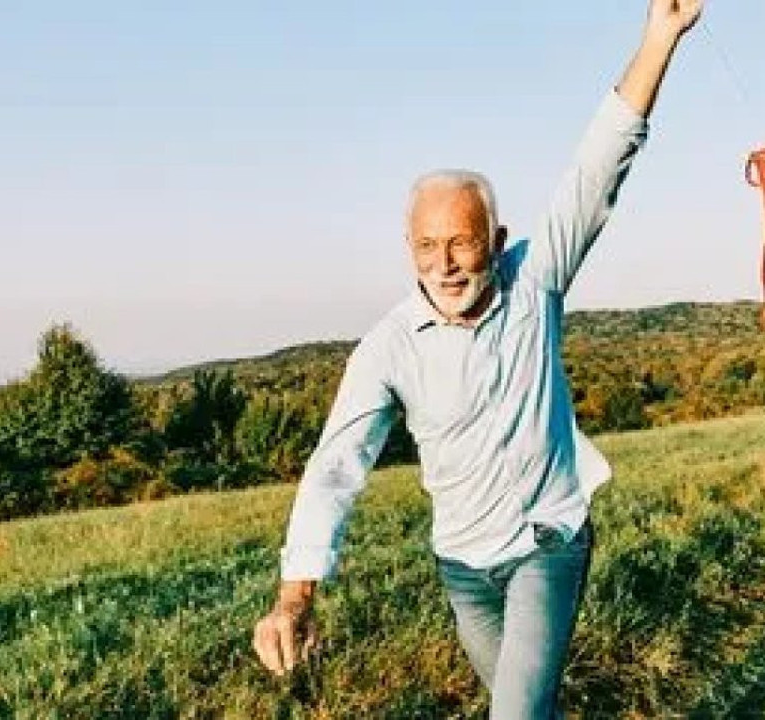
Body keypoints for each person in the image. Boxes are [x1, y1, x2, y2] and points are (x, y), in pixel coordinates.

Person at [253, 2, 705, 716]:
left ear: (495, 239)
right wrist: (294, 596)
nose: (447, 264)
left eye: (462, 243)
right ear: (411, 252)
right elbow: (335, 468)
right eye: (428, 248)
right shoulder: (388, 349)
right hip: (463, 569)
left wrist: (658, 40)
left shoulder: (536, 279)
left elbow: (599, 165)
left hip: (545, 542)